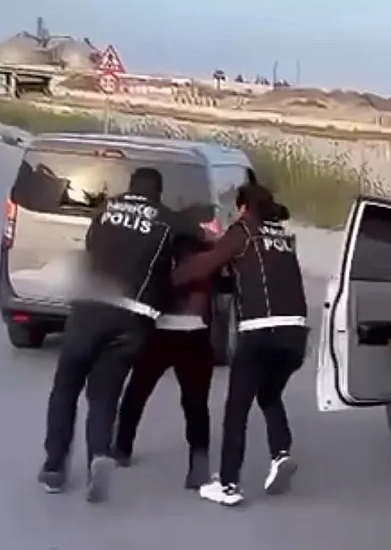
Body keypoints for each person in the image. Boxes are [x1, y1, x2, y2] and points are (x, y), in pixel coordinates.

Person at [37, 166, 202, 503]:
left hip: (92, 307)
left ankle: (54, 468)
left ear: (130, 187)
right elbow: (193, 242)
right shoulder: (167, 221)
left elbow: (92, 250)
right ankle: (99, 453)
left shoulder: (105, 211)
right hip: (134, 319)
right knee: (104, 395)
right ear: (158, 192)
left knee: (66, 386)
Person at [173, 184, 308, 507]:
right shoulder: (283, 237)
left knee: (236, 409)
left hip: (261, 330)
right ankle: (281, 453)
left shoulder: (243, 231)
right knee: (269, 393)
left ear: (245, 207)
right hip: (296, 335)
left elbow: (207, 263)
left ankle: (228, 484)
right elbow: (252, 275)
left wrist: (169, 280)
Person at [111, 208, 222, 489]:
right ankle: (198, 465)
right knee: (196, 404)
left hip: (160, 334)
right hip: (196, 335)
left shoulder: (160, 256)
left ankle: (122, 448)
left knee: (137, 392)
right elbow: (223, 288)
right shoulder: (207, 258)